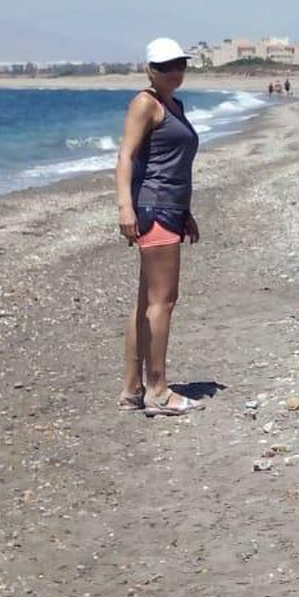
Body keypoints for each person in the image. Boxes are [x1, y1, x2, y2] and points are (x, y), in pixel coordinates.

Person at [116, 37, 201, 418]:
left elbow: (171, 163)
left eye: (180, 64)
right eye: (165, 67)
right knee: (162, 302)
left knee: (146, 303)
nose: (174, 72)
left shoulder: (174, 106)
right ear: (150, 70)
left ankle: (132, 390)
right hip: (154, 208)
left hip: (170, 208)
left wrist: (186, 211)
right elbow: (126, 156)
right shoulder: (145, 103)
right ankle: (159, 391)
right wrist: (125, 207)